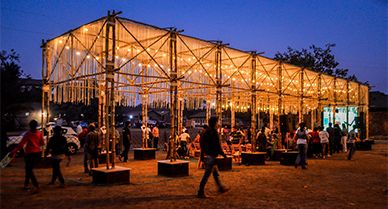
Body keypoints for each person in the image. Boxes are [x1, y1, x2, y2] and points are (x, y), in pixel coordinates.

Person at [197, 117, 229, 198]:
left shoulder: (205, 132)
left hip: (207, 155)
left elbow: (202, 144)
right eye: (217, 122)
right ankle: (200, 191)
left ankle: (220, 187)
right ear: (214, 123)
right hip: (211, 155)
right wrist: (224, 155)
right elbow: (217, 145)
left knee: (215, 173)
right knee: (207, 174)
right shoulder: (213, 132)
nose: (217, 124)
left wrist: (201, 155)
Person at [11, 120, 45, 193]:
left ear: (30, 126)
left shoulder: (28, 134)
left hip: (29, 154)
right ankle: (26, 185)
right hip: (37, 153)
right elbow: (42, 143)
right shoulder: (39, 133)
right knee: (28, 170)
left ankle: (36, 185)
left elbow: (21, 144)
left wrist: (14, 151)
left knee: (29, 170)